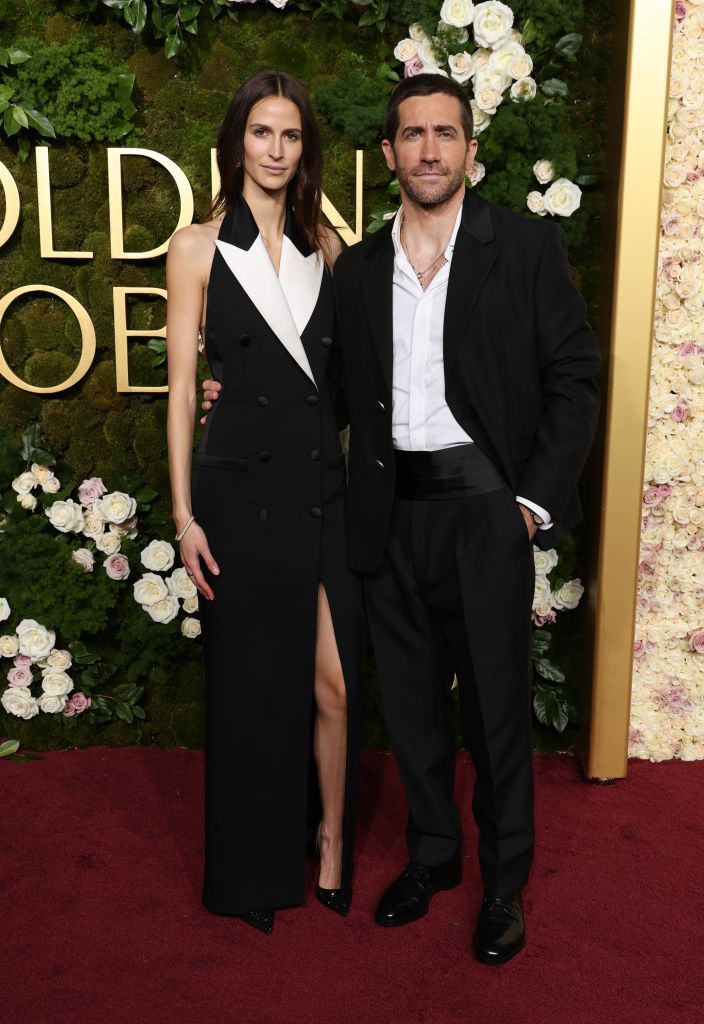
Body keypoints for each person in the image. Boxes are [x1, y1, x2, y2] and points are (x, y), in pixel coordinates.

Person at [202, 73, 601, 963]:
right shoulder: (359, 266)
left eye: (445, 134)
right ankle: (433, 856)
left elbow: (575, 377)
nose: (429, 150)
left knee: (496, 712)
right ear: (388, 154)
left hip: (487, 514)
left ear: (469, 150)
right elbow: (330, 391)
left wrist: (529, 506)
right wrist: (239, 395)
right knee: (412, 710)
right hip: (387, 517)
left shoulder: (523, 247)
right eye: (412, 135)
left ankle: (504, 884)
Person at [166, 70, 365, 936]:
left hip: (321, 491)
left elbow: (346, 384)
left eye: (289, 135)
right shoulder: (197, 247)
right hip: (237, 493)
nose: (275, 150)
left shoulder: (330, 250)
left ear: (304, 148)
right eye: (260, 133)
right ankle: (252, 867)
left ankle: (330, 838)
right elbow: (182, 388)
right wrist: (184, 516)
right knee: (249, 688)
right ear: (236, 143)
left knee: (333, 684)